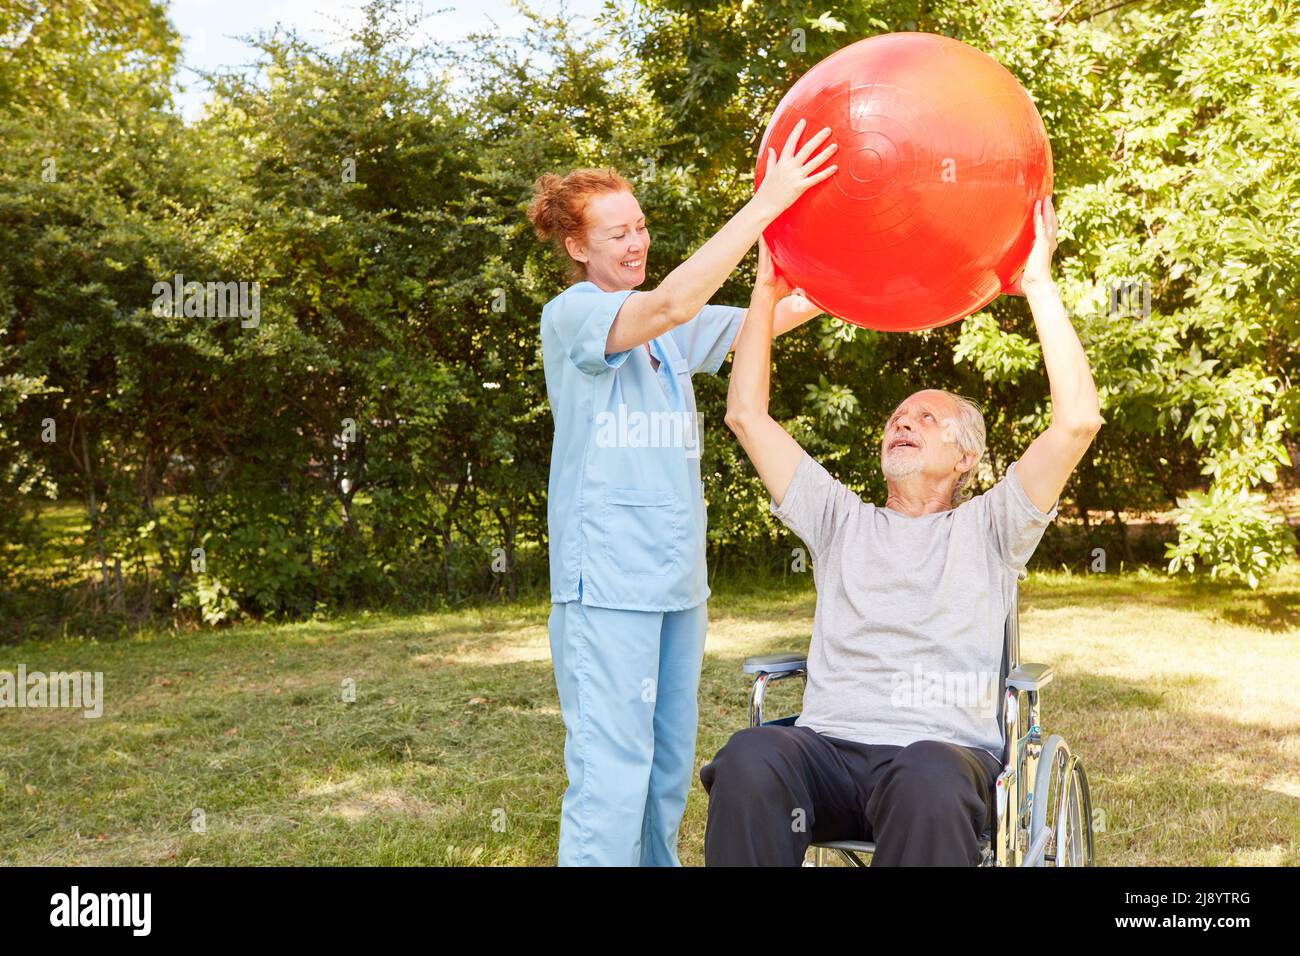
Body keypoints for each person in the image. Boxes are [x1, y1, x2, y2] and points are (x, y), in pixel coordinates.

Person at [701, 196, 1104, 865]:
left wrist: (1037, 281)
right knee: (752, 755)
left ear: (966, 459)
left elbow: (1077, 423)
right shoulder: (839, 520)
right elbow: (747, 415)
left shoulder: (992, 527)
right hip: (827, 751)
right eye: (896, 418)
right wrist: (766, 294)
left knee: (927, 777)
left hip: (937, 756)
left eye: (926, 417)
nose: (903, 422)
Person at [525, 119, 839, 866]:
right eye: (615, 236)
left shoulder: (668, 331)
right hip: (605, 582)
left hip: (673, 581)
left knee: (667, 770)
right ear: (577, 249)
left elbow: (770, 319)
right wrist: (765, 204)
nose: (635, 244)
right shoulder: (577, 315)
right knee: (612, 773)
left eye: (639, 227)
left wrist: (860, 278)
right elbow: (666, 304)